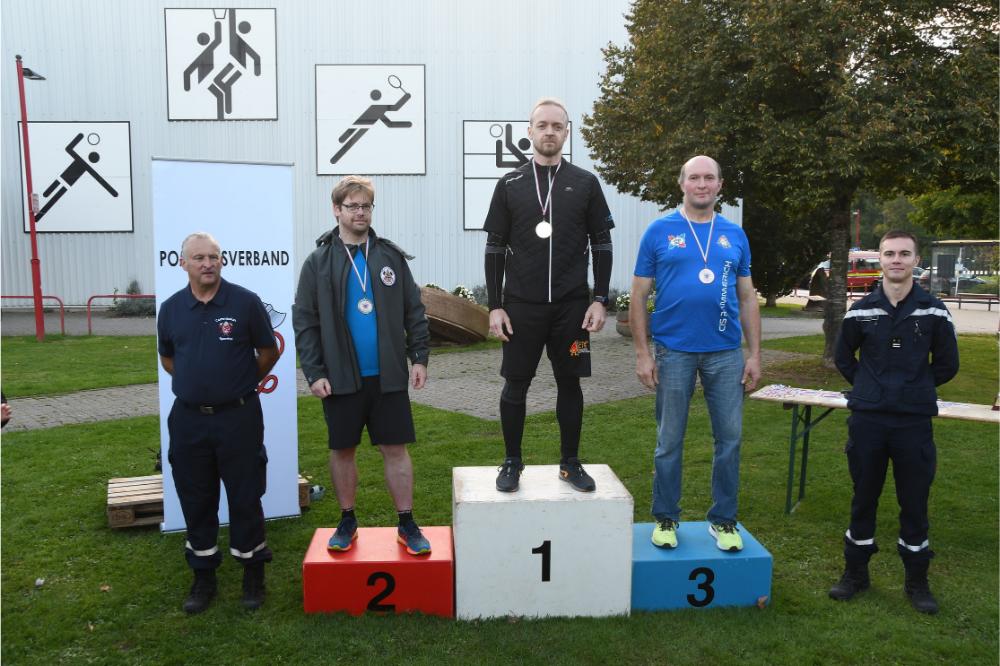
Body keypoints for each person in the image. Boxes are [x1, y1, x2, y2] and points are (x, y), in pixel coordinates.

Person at [293, 176, 432, 556]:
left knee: (396, 449)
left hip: (388, 376)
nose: (360, 212)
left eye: (366, 206)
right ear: (336, 210)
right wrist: (314, 372)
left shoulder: (390, 257)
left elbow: (414, 310)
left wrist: (419, 357)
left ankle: (407, 523)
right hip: (340, 378)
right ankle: (347, 520)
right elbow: (305, 322)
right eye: (352, 206)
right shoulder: (318, 262)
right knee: (343, 449)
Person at [630, 155, 761, 552]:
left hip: (726, 352)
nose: (701, 184)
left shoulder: (734, 235)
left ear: (720, 185)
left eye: (709, 178)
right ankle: (666, 517)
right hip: (674, 351)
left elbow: (747, 297)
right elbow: (638, 295)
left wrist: (754, 354)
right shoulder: (659, 231)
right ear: (682, 183)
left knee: (730, 439)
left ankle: (723, 521)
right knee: (669, 440)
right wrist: (643, 354)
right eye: (694, 178)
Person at [484, 97, 615, 493]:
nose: (549, 132)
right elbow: (494, 247)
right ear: (530, 131)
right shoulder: (510, 184)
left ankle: (570, 463)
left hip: (572, 310)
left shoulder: (586, 183)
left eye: (557, 126)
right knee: (515, 384)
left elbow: (602, 244)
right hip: (521, 308)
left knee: (570, 383)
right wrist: (495, 306)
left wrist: (599, 299)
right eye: (542, 125)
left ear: (567, 132)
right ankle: (512, 462)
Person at [829, 230, 959, 615]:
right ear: (881, 260)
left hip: (913, 423)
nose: (896, 260)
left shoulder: (934, 310)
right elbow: (843, 357)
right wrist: (869, 388)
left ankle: (917, 581)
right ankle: (855, 574)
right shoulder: (860, 310)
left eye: (904, 254)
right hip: (868, 421)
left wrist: (915, 389)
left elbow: (948, 364)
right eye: (889, 254)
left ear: (916, 260)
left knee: (914, 502)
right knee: (863, 498)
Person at [157, 231, 279, 614]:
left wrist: (237, 383)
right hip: (189, 421)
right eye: (199, 258)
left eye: (213, 257)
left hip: (238, 418)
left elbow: (268, 351)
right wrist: (198, 386)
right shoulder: (171, 309)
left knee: (245, 496)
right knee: (196, 498)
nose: (208, 264)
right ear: (184, 264)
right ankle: (203, 577)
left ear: (222, 261)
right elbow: (168, 359)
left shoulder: (245, 302)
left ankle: (253, 574)